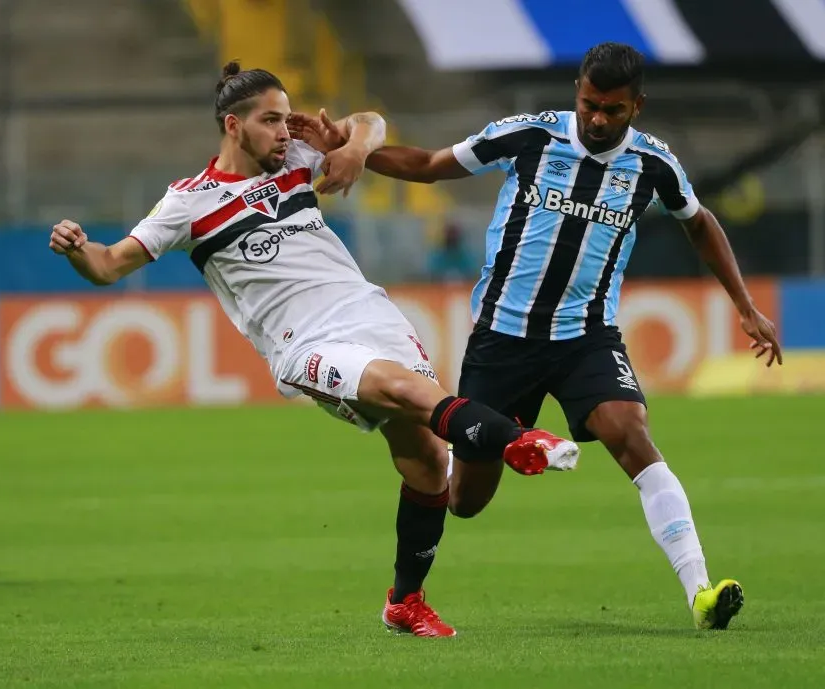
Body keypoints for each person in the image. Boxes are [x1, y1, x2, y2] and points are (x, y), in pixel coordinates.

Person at [48, 61, 579, 638]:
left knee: (427, 458)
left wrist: (353, 149)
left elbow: (370, 120)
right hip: (307, 345)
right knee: (404, 390)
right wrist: (79, 249)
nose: (284, 131)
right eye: (270, 120)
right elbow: (108, 264)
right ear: (233, 125)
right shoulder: (188, 203)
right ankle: (517, 438)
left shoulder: (299, 159)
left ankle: (405, 602)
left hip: (371, 314)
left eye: (286, 117)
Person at [291, 42, 783, 630]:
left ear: (637, 107)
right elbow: (427, 165)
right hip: (503, 340)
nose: (599, 119)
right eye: (590, 104)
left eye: (614, 110)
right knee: (465, 502)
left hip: (586, 338)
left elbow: (698, 223)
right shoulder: (530, 135)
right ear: (577, 90)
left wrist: (745, 305)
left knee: (632, 433)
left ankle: (700, 592)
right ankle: (453, 454)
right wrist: (350, 153)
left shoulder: (654, 164)